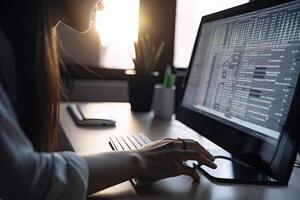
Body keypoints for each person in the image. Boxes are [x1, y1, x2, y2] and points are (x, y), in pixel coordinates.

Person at [0, 0, 217, 199]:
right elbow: (26, 181)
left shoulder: (18, 49)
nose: (103, 4)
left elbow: (48, 159)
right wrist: (139, 159)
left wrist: (137, 156)